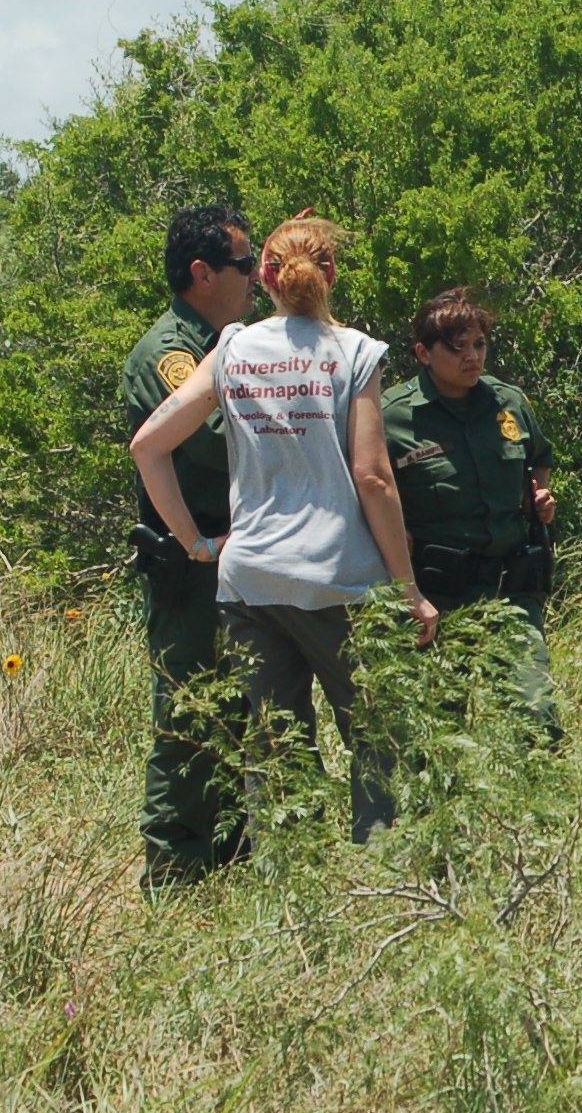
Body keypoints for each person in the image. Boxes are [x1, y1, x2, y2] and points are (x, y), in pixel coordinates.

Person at [132, 213, 436, 849]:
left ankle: (293, 889)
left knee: (278, 750)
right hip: (339, 580)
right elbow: (374, 478)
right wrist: (407, 589)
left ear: (265, 276)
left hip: (249, 582)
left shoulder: (234, 347)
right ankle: (382, 882)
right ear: (329, 273)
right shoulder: (354, 351)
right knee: (378, 738)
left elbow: (148, 446)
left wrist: (197, 544)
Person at [120, 204, 255, 887]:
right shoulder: (171, 352)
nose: (256, 278)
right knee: (189, 718)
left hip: (238, 567)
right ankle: (174, 878)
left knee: (240, 717)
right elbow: (207, 443)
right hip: (193, 569)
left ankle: (232, 866)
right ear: (202, 273)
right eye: (245, 265)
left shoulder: (228, 343)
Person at [383, 288, 561, 736]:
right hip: (436, 594)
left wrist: (537, 496)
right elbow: (363, 488)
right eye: (456, 347)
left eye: (479, 344)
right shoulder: (392, 416)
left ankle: (538, 805)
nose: (472, 357)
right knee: (438, 732)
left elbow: (539, 455)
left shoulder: (507, 402)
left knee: (534, 721)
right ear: (423, 352)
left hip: (511, 588)